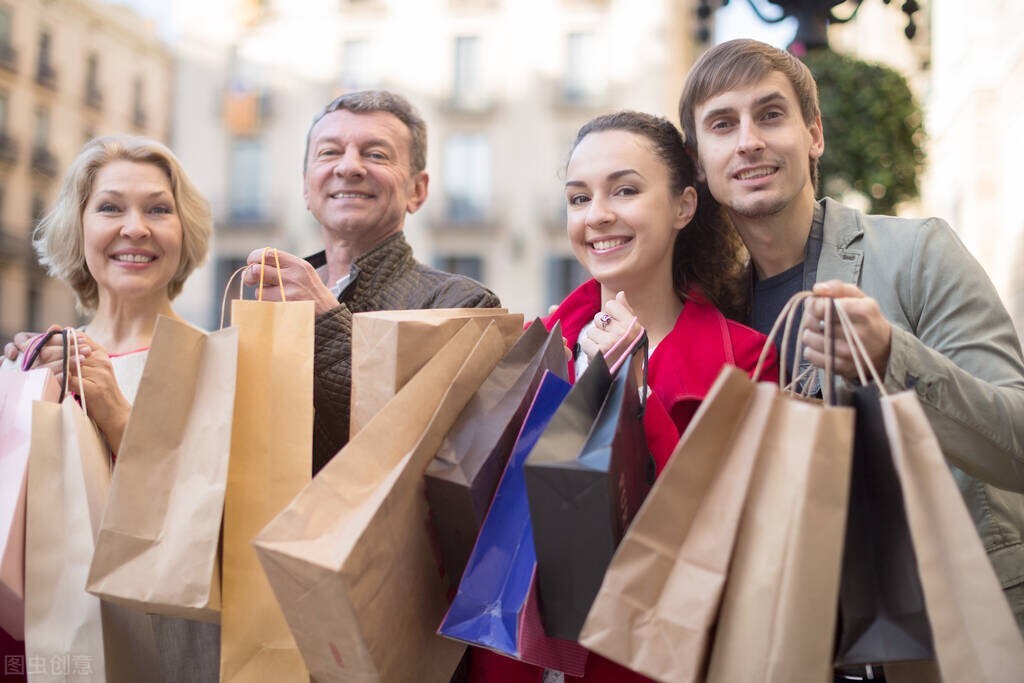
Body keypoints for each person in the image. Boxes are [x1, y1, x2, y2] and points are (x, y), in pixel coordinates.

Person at [678, 36, 1024, 664]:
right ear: (699, 164)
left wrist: (895, 355)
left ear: (814, 136)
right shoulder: (709, 315)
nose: (749, 140)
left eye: (771, 114)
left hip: (952, 644)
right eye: (723, 125)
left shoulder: (920, 253)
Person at [469, 111, 778, 683]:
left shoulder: (748, 361)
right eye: (579, 198)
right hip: (516, 662)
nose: (597, 216)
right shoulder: (529, 348)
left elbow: (742, 546)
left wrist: (637, 399)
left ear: (684, 206)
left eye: (626, 190)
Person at [2, 135, 218, 683]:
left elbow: (224, 534)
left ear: (182, 231)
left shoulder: (220, 361)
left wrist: (116, 412)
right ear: (80, 229)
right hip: (49, 653)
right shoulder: (34, 365)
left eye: (158, 209)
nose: (135, 228)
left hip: (172, 656)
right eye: (110, 207)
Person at [240, 90, 500, 473]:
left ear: (418, 190)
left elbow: (432, 451)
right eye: (329, 152)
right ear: (306, 185)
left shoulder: (463, 304)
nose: (348, 167)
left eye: (376, 154)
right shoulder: (268, 300)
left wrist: (328, 324)